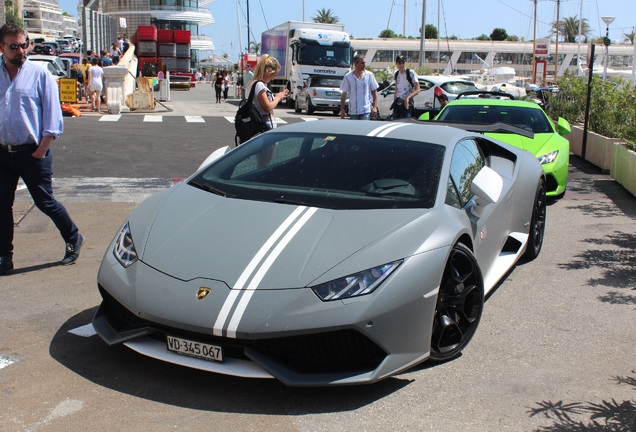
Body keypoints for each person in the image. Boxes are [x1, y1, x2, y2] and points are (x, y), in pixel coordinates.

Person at [0, 24, 83, 275]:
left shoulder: (40, 75)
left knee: (45, 202)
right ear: (1, 48)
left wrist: (41, 150)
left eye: (23, 44)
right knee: (2, 206)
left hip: (32, 152)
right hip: (3, 152)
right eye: (14, 46)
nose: (20, 50)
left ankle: (73, 237)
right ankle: (4, 256)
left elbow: (53, 118)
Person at [245, 54, 290, 166]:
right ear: (268, 71)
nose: (273, 78)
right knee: (265, 162)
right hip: (265, 125)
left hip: (259, 124)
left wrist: (277, 96)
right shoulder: (260, 85)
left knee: (262, 160)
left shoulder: (252, 84)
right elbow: (267, 107)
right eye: (273, 74)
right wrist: (278, 97)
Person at [339, 54, 379, 120]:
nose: (364, 65)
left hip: (366, 111)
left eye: (365, 63)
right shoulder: (348, 77)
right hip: (353, 111)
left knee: (364, 130)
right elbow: (344, 93)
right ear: (356, 63)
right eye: (362, 63)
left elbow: (374, 92)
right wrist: (342, 109)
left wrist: (374, 107)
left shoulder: (369, 75)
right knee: (354, 130)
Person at [391, 55, 420, 119]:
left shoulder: (410, 73)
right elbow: (396, 89)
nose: (401, 65)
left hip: (407, 104)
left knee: (406, 122)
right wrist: (394, 102)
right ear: (397, 64)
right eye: (399, 63)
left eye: (403, 63)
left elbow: (417, 89)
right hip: (398, 103)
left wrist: (408, 97)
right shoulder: (396, 74)